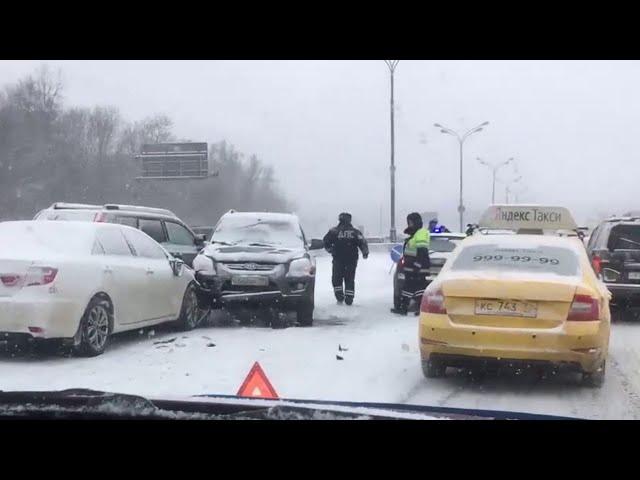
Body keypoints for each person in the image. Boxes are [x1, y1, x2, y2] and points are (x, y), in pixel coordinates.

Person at [323, 212, 369, 305]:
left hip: (338, 259)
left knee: (337, 278)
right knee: (349, 278)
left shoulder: (334, 231)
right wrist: (365, 252)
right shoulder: (355, 232)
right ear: (350, 220)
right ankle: (349, 298)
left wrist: (331, 250)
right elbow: (362, 242)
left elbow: (325, 241)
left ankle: (339, 297)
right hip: (351, 259)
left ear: (339, 220)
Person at [392, 212, 430, 315]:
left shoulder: (421, 233)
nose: (409, 225)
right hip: (412, 267)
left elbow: (422, 252)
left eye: (410, 222)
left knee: (412, 287)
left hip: (417, 267)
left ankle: (405, 308)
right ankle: (410, 308)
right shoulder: (415, 234)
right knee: (414, 288)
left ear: (416, 222)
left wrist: (417, 265)